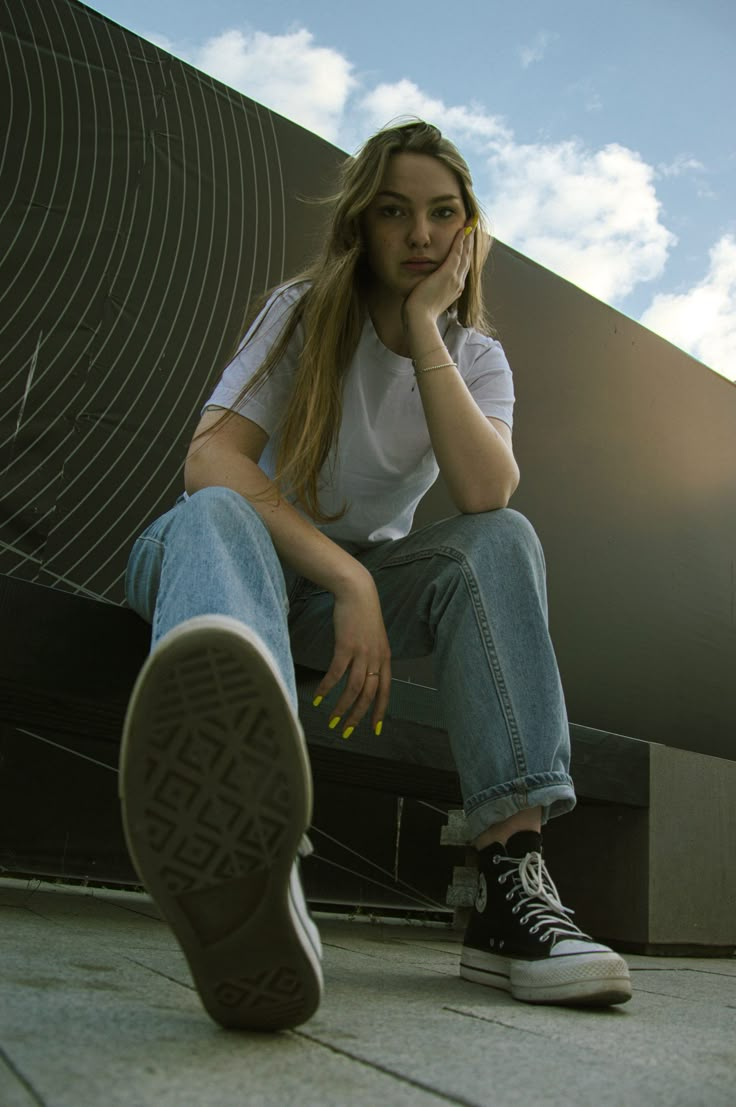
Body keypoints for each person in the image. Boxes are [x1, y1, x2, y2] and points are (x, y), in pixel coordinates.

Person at [120, 119, 632, 1032]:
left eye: (443, 214)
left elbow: (484, 490)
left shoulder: (476, 357)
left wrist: (431, 325)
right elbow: (211, 459)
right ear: (363, 222)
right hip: (224, 572)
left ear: (468, 232)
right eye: (396, 212)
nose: (421, 236)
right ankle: (257, 860)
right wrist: (348, 583)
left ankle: (512, 888)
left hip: (337, 603)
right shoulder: (304, 312)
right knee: (220, 510)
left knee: (501, 538)